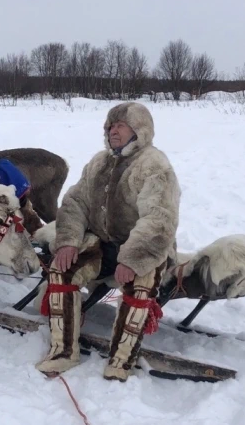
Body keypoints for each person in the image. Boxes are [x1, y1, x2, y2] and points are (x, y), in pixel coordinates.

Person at [35, 101, 181, 381]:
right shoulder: (99, 163)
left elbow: (159, 220)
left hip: (145, 249)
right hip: (102, 245)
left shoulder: (154, 165)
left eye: (121, 125)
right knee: (62, 269)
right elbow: (75, 203)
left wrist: (132, 257)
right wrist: (67, 241)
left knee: (141, 284)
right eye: (110, 125)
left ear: (139, 130)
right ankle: (63, 351)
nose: (113, 130)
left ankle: (121, 361)